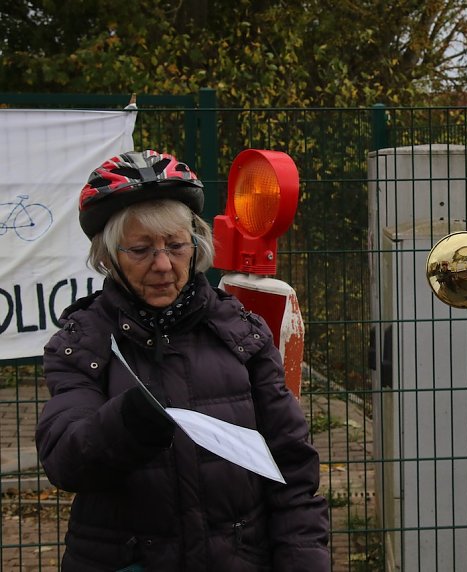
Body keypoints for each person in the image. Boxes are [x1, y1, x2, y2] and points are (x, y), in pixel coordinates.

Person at [36, 150, 330, 571]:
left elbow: (292, 471)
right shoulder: (83, 342)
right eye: (140, 250)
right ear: (108, 256)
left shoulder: (240, 333)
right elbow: (66, 461)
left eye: (176, 246)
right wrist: (129, 423)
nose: (162, 264)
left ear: (196, 246)